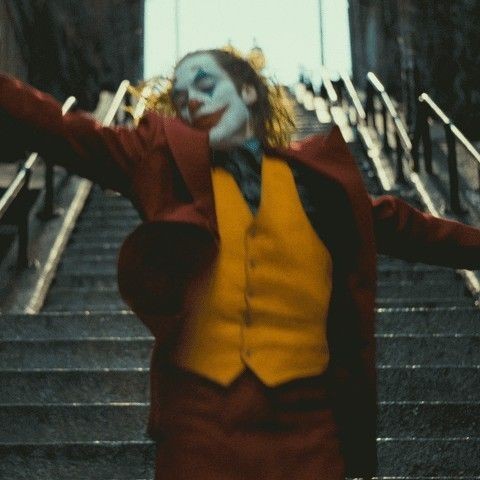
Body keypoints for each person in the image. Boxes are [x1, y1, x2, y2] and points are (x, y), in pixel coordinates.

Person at [1, 47, 480, 480]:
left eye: (205, 84)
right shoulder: (164, 168)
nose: (192, 102)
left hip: (308, 427)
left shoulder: (315, 183)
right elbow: (63, 130)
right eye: (181, 99)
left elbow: (407, 226)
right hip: (199, 422)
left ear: (249, 90)